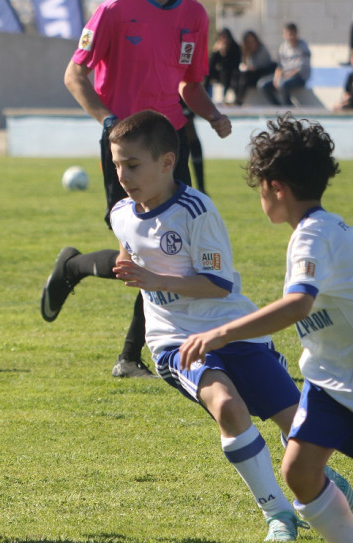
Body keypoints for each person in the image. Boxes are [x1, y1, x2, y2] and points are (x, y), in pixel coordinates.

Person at [178, 114, 353, 543]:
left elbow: (299, 304)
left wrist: (220, 333)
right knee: (299, 472)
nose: (259, 195)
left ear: (275, 187)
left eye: (260, 186)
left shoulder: (314, 235)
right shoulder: (312, 231)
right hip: (332, 376)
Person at [107, 109, 353, 543]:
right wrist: (129, 266)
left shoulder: (196, 210)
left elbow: (219, 285)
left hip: (234, 329)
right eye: (116, 165)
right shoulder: (121, 214)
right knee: (226, 406)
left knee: (300, 426)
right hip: (174, 341)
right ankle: (279, 513)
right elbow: (133, 254)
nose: (123, 174)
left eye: (133, 164)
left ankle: (319, 476)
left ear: (167, 161)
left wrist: (155, 279)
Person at [42, 0, 232, 379]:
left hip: (170, 140)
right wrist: (110, 122)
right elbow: (74, 75)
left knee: (173, 250)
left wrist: (212, 115)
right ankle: (76, 270)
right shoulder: (114, 10)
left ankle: (132, 355)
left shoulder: (194, 14)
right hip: (127, 145)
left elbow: (189, 85)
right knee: (145, 251)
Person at [258, 22, 312, 107]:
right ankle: (277, 107)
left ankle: (288, 109)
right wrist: (276, 78)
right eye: (288, 34)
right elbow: (279, 66)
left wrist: (284, 78)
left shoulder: (303, 46)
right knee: (263, 85)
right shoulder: (283, 47)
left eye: (292, 34)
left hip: (299, 77)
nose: (290, 36)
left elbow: (299, 69)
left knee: (283, 85)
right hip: (284, 77)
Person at [236, 30, 276, 105]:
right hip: (252, 73)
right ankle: (237, 98)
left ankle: (239, 100)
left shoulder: (262, 50)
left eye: (252, 41)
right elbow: (243, 64)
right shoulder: (246, 52)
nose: (251, 44)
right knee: (239, 76)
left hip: (264, 72)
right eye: (249, 42)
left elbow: (260, 66)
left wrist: (250, 68)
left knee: (245, 77)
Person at [207, 28, 242, 104]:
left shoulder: (235, 47)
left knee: (227, 72)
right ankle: (206, 97)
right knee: (207, 73)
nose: (224, 39)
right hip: (220, 72)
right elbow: (212, 63)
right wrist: (217, 51)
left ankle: (228, 97)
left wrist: (225, 55)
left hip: (231, 71)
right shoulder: (218, 48)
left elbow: (235, 62)